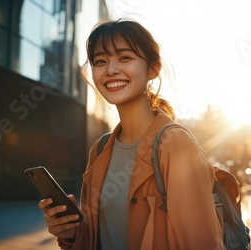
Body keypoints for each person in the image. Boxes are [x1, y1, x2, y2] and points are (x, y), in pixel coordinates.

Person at [38, 18, 224, 250]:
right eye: (100, 61)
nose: (111, 70)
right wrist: (71, 235)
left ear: (153, 69)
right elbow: (98, 239)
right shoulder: (100, 148)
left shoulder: (175, 143)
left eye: (125, 57)